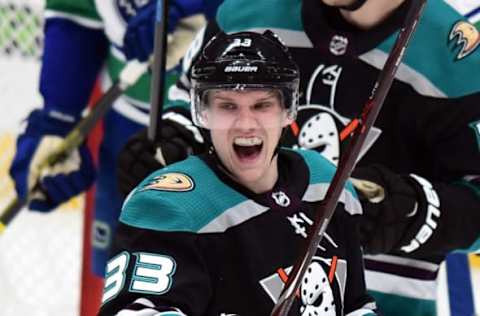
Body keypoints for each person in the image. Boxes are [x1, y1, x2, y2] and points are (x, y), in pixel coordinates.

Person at [116, 0, 480, 315]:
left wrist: (409, 209)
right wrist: (169, 145)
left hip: (389, 297)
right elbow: (190, 110)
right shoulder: (248, 13)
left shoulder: (459, 52)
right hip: (239, 286)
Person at [99, 30, 377, 316]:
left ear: (288, 110)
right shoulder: (168, 207)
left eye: (262, 105)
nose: (246, 124)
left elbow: (355, 304)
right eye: (228, 106)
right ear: (202, 112)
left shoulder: (327, 183)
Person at [8, 0, 222, 282]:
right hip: (127, 128)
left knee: (229, 275)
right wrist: (58, 117)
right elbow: (76, 12)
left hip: (227, 126)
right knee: (123, 277)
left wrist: (207, 7)